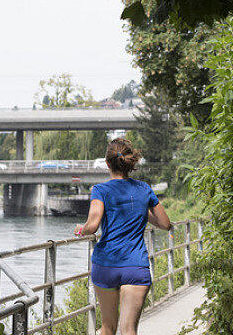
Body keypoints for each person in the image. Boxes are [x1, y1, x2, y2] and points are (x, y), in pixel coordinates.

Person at [74, 138, 172, 335]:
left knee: (107, 328)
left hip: (106, 264)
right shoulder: (144, 189)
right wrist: (141, 211)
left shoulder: (100, 190)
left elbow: (93, 226)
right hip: (136, 265)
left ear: (108, 163)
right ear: (130, 164)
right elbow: (165, 224)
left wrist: (80, 229)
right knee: (128, 330)